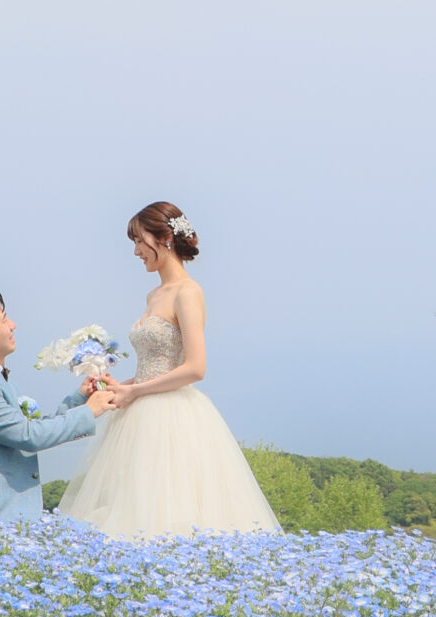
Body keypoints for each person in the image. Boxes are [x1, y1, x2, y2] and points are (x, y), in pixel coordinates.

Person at [56, 202, 281, 541]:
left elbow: (195, 368)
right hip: (139, 413)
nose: (136, 251)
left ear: (164, 238)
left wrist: (134, 391)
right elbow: (156, 366)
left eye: (139, 241)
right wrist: (121, 386)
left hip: (172, 417)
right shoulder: (153, 295)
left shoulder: (188, 293)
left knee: (168, 508)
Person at [0, 285, 111, 524]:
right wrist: (89, 412)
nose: (13, 325)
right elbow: (28, 435)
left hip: (6, 519)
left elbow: (33, 427)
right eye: (4, 319)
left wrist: (80, 398)